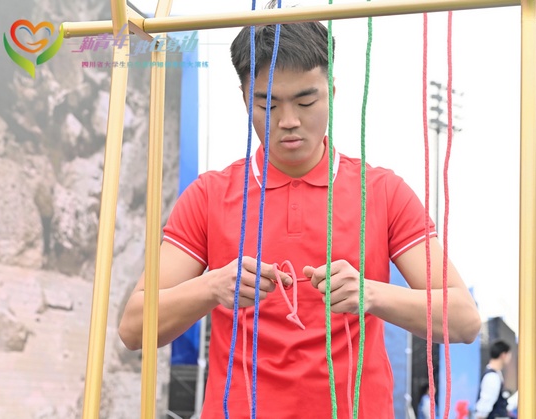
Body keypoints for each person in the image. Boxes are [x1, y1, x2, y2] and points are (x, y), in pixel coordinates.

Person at [118, 3, 481, 418]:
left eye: (305, 101)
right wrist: (212, 287)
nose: (288, 121)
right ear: (245, 99)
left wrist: (372, 294)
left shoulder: (383, 192)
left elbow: (464, 320)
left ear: (332, 92)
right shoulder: (209, 195)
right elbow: (133, 328)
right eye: (268, 105)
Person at [474, 339, 512, 419]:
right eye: (509, 354)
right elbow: (485, 404)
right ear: (503, 355)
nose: (510, 358)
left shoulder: (496, 374)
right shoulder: (492, 376)